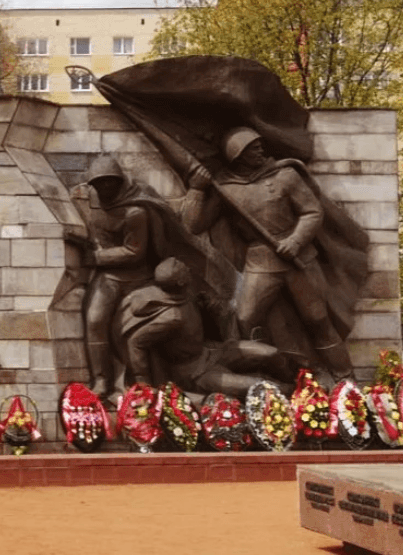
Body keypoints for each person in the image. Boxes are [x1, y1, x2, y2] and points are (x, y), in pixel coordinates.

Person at [181, 127, 354, 380]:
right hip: (261, 261)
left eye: (260, 145)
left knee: (317, 319)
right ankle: (271, 373)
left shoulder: (286, 176)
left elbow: (312, 212)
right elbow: (194, 225)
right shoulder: (226, 187)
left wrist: (295, 240)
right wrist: (196, 190)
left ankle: (345, 378)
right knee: (246, 319)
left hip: (299, 259)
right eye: (253, 148)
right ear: (236, 155)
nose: (261, 149)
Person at [118, 257, 292, 397]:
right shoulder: (172, 317)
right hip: (196, 373)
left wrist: (208, 307)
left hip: (212, 352)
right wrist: (143, 383)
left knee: (271, 353)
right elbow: (136, 342)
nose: (188, 268)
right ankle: (300, 401)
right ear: (180, 281)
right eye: (183, 268)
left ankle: (300, 383)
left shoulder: (186, 292)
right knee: (261, 387)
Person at [77, 155, 156, 397]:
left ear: (119, 181)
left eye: (110, 182)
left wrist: (96, 258)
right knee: (94, 320)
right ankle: (102, 380)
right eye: (99, 184)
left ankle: (144, 383)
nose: (105, 188)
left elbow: (135, 251)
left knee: (134, 329)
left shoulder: (135, 211)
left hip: (138, 277)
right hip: (109, 277)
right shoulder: (86, 199)